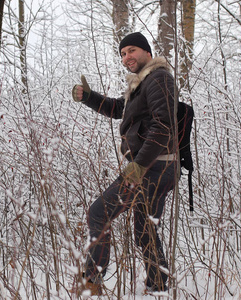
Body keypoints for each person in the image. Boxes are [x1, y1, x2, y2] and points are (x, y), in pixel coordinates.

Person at [71, 32, 177, 295]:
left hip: (152, 167)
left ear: (146, 51)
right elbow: (121, 108)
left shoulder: (159, 78)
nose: (126, 57)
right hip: (156, 166)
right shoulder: (144, 82)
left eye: (131, 51)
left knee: (99, 213)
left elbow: (164, 126)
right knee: (144, 230)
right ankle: (158, 286)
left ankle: (91, 283)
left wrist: (139, 165)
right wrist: (89, 97)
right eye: (122, 53)